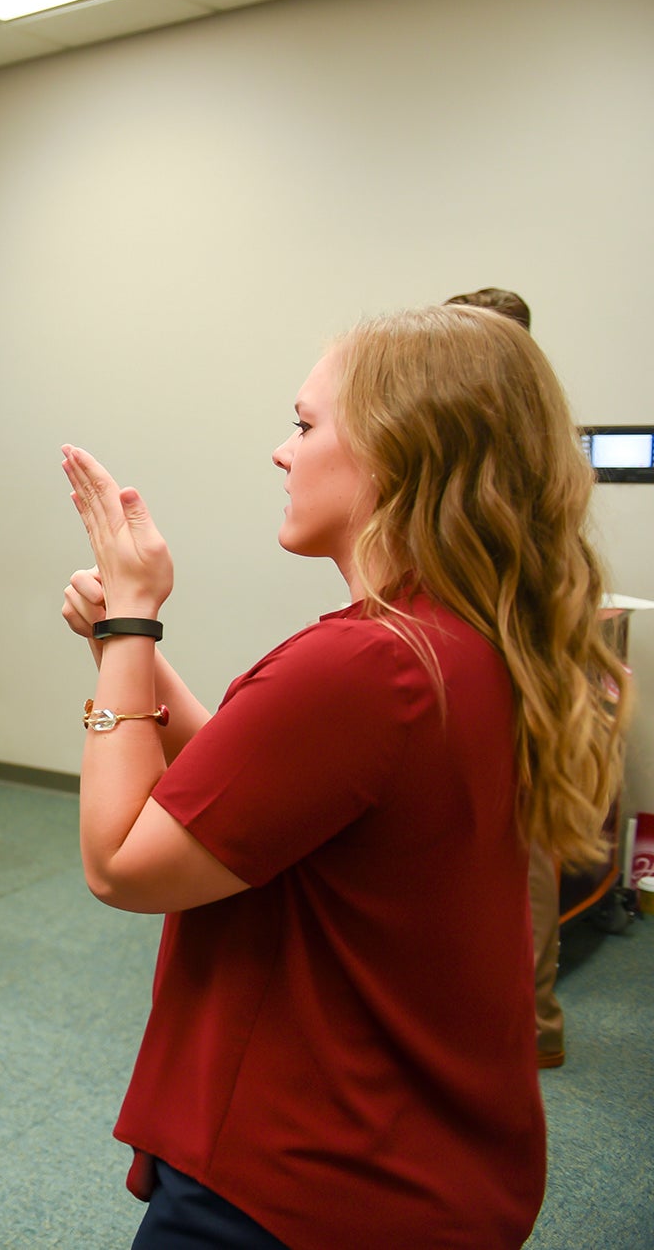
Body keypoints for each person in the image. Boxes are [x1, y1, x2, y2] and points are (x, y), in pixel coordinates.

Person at [54, 305, 622, 1247]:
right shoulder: (467, 638)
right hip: (419, 1166)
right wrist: (129, 645)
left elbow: (123, 861)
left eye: (307, 425)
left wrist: (130, 626)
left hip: (298, 1185)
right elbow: (244, 785)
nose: (283, 453)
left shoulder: (367, 666)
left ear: (402, 452)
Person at [443, 287, 565, 1071]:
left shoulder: (495, 444)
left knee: (524, 837)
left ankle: (530, 1019)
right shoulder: (531, 432)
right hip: (504, 646)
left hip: (500, 648)